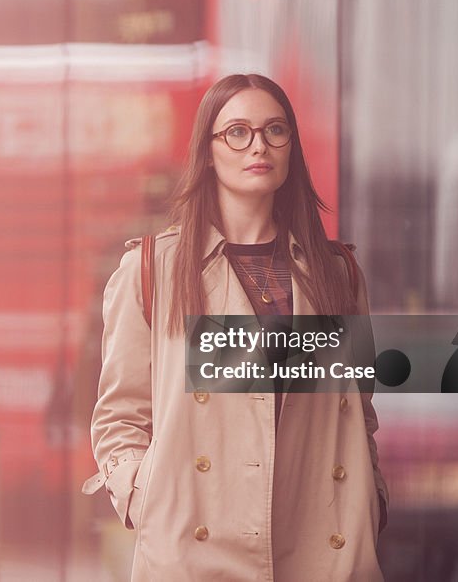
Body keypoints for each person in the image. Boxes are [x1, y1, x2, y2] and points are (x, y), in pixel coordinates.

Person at [82, 74, 387, 581]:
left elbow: (360, 408)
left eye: (274, 130)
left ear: (291, 147)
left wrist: (369, 499)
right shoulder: (153, 269)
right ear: (207, 151)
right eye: (238, 132)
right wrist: (143, 494)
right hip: (195, 540)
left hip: (321, 540)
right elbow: (119, 416)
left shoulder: (335, 271)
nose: (259, 146)